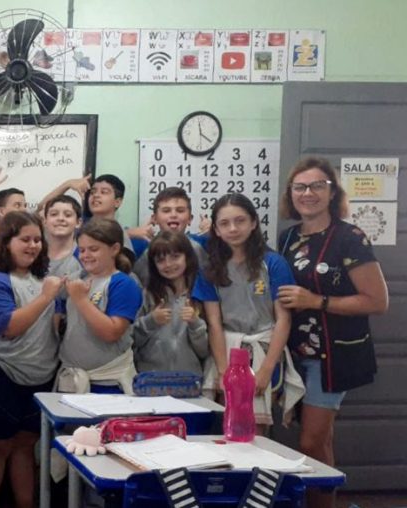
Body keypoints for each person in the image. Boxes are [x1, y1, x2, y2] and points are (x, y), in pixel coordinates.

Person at [276, 157, 388, 508]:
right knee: (321, 442)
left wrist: (316, 301)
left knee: (310, 444)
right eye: (300, 187)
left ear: (332, 191)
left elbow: (377, 301)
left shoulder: (350, 238)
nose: (308, 193)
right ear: (291, 193)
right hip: (295, 354)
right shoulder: (288, 236)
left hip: (333, 357)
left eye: (317, 186)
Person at [193, 193, 304, 428]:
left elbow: (283, 319)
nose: (233, 228)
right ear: (216, 229)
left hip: (263, 348)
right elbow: (214, 322)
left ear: (253, 223)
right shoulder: (210, 268)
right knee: (227, 425)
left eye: (240, 220)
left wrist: (266, 369)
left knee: (258, 429)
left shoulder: (273, 263)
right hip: (227, 350)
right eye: (225, 223)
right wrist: (224, 372)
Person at [0, 211, 58, 508]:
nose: (33, 245)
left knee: (25, 446)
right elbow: (8, 327)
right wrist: (46, 298)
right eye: (25, 239)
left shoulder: (43, 279)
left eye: (37, 239)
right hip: (1, 374)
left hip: (41, 376)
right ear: (6, 242)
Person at [57, 218, 142, 394]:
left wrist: (81, 300)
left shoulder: (123, 283)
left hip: (108, 383)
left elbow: (111, 332)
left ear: (115, 249)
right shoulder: (78, 279)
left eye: (93, 249)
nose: (86, 255)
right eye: (81, 250)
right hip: (73, 378)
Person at [132, 231, 208, 375]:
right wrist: (151, 321)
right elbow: (132, 340)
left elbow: (204, 351)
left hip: (189, 380)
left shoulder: (199, 295)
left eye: (175, 257)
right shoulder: (148, 294)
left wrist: (195, 324)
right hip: (150, 378)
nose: (168, 264)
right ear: (154, 265)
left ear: (188, 257)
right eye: (160, 260)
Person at [132, 187, 209, 286]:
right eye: (166, 210)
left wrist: (216, 231)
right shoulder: (141, 245)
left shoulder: (201, 244)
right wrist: (130, 233)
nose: (173, 215)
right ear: (154, 219)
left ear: (190, 219)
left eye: (180, 210)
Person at [44, 195, 83, 280]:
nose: (60, 218)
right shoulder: (34, 253)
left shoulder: (84, 257)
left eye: (68, 215)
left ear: (78, 222)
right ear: (45, 221)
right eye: (54, 214)